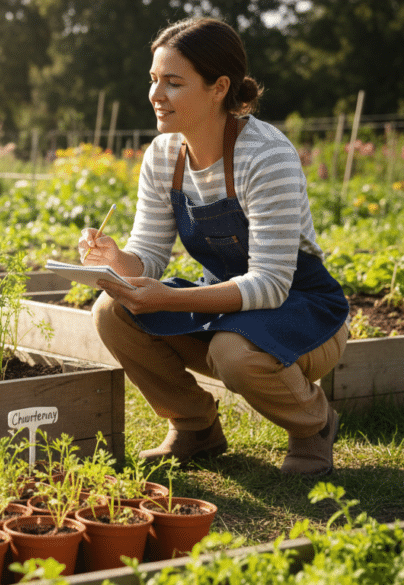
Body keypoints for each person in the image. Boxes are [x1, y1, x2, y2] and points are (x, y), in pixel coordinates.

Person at [80, 17, 350, 476]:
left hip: (304, 309)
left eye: (173, 82)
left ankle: (313, 426)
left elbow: (269, 285)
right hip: (227, 304)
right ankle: (195, 428)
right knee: (112, 312)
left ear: (219, 87)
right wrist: (116, 259)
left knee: (233, 352)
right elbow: (149, 253)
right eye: (153, 80)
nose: (156, 95)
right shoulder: (163, 155)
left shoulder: (265, 156)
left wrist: (166, 297)